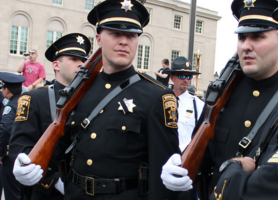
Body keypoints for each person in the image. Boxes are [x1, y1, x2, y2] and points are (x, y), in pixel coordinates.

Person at [13, 0, 182, 199]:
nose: (124, 41)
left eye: (131, 35)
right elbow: (60, 146)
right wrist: (27, 164)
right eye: (115, 33)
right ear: (99, 39)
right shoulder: (79, 90)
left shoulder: (157, 95)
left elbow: (164, 171)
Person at [160, 0, 278, 195]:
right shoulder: (223, 94)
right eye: (242, 37)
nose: (246, 46)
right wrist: (179, 169)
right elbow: (203, 160)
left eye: (258, 37)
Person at [9, 33, 91, 200]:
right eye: (73, 59)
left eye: (83, 60)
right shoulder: (36, 99)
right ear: (56, 64)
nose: (81, 64)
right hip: (46, 192)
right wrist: (52, 180)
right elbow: (21, 146)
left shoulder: (93, 99)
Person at [166, 56, 204, 152]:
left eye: (189, 76)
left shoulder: (198, 105)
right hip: (164, 157)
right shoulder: (161, 101)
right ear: (172, 78)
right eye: (182, 76)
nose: (186, 80)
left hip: (186, 158)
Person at [0, 72, 26, 200]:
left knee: (12, 192)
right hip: (26, 152)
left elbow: (5, 129)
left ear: (7, 90)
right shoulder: (26, 103)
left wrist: (1, 152)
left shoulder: (10, 106)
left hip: (12, 155)